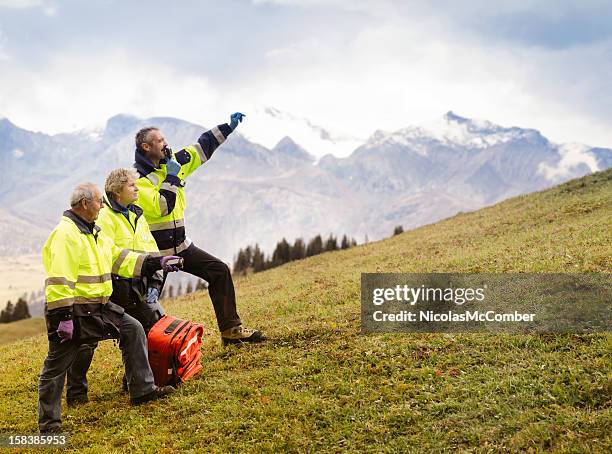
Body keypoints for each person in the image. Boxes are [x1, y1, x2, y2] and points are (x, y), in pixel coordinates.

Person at [39, 183, 181, 433]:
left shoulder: (96, 232)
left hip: (101, 307)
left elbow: (121, 258)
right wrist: (64, 317)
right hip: (73, 312)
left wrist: (156, 262)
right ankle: (49, 426)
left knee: (133, 329)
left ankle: (143, 390)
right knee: (55, 367)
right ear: (84, 203)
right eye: (98, 201)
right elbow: (59, 279)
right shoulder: (66, 235)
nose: (103, 205)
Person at [133, 112, 264, 345]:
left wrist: (228, 126)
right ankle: (141, 366)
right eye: (160, 141)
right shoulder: (138, 181)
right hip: (157, 257)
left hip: (181, 247)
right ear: (146, 147)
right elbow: (162, 207)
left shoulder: (173, 161)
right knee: (146, 308)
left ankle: (231, 332)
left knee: (219, 271)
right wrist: (172, 177)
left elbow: (202, 146)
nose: (166, 144)